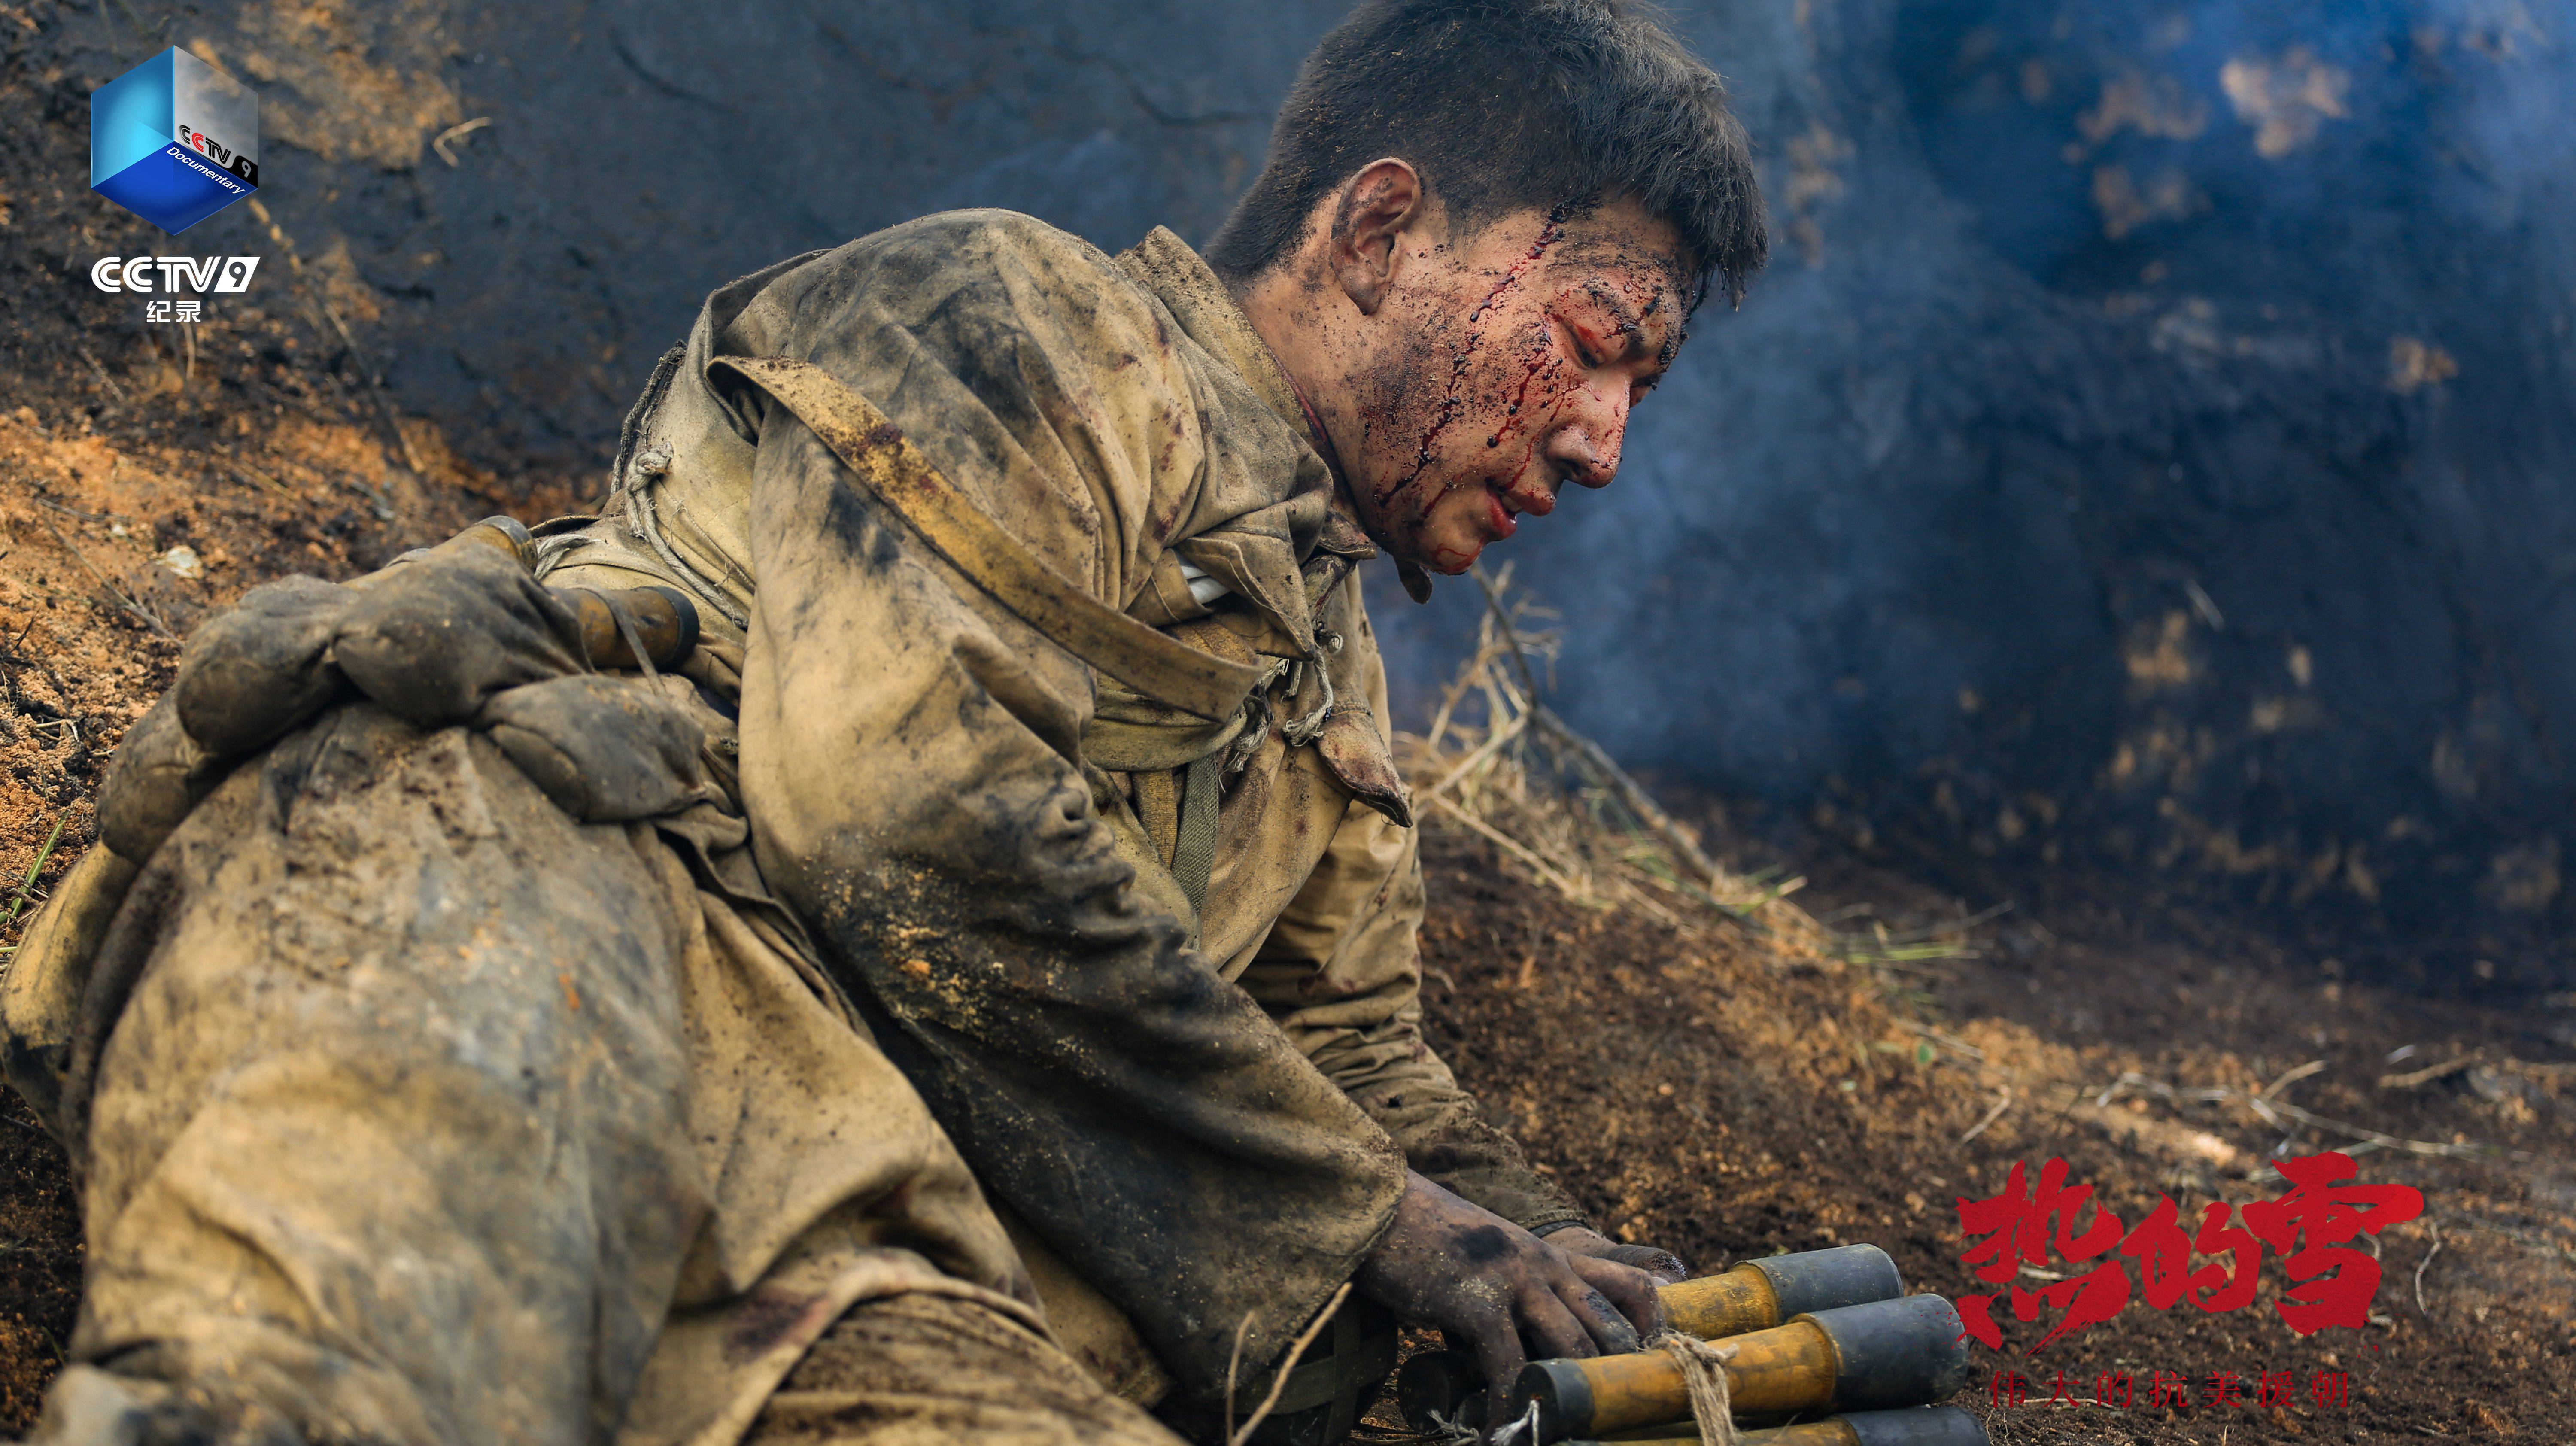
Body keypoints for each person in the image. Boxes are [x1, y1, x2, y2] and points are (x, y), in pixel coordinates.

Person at [3, 1, 1765, 1441]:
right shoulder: (1016, 318)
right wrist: (1390, 1222)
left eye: (1640, 387)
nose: (1606, 441)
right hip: (536, 898)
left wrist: (1556, 1271)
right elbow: (906, 801)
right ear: (1381, 231)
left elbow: (1352, 1062)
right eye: (1592, 340)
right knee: (314, 1384)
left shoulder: (1325, 677)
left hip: (847, 1194)